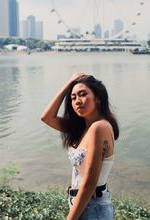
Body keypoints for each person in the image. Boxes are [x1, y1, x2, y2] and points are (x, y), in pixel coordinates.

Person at [40, 73, 119, 220]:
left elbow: (89, 182)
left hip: (94, 206)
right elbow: (46, 117)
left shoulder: (100, 128)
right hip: (81, 203)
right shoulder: (81, 128)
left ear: (98, 98)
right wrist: (69, 84)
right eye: (73, 97)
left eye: (82, 94)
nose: (77, 101)